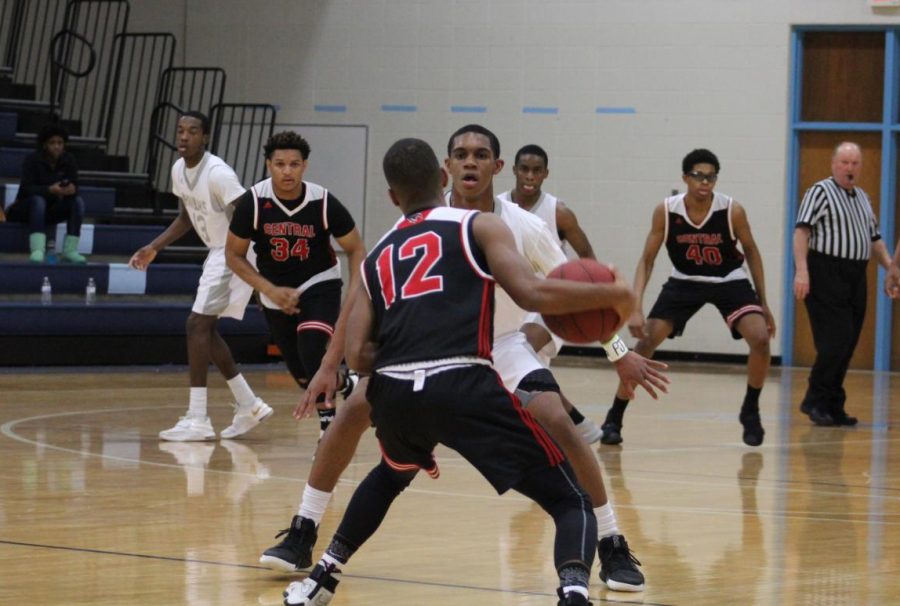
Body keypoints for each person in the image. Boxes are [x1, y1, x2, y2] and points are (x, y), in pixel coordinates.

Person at [262, 125, 662, 594]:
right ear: (445, 168)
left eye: (481, 154)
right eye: (460, 154)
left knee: (557, 417)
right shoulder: (416, 220)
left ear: (497, 167)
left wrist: (619, 353)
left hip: (505, 343)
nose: (470, 162)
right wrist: (330, 364)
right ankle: (304, 529)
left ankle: (611, 540)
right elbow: (361, 294)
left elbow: (577, 296)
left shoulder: (522, 225)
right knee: (351, 411)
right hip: (432, 345)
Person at [601, 148, 775, 447]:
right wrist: (635, 307)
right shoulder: (667, 211)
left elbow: (753, 253)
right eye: (698, 176)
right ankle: (614, 416)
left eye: (710, 177)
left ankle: (750, 409)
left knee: (760, 338)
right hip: (684, 280)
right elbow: (647, 259)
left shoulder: (731, 210)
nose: (705, 183)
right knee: (645, 343)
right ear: (685, 178)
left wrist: (764, 302)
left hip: (729, 279)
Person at [129, 111, 271, 441]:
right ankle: (249, 404)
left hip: (232, 252)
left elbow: (250, 215)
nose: (183, 136)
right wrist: (155, 247)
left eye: (192, 131)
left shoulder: (218, 173)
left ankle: (198, 418)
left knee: (196, 325)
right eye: (180, 130)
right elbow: (186, 217)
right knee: (204, 329)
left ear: (204, 137)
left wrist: (260, 272)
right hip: (217, 252)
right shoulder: (179, 169)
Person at [225, 131, 365, 437]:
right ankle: (347, 383)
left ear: (305, 166)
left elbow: (356, 248)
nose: (287, 171)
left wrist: (355, 294)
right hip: (274, 291)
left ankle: (328, 427)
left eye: (294, 164)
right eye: (280, 164)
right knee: (303, 375)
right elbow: (233, 255)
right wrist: (268, 289)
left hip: (320, 282)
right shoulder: (254, 201)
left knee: (311, 346)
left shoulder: (323, 201)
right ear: (268, 165)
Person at [500, 143, 631, 444]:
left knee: (523, 350)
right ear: (514, 170)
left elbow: (589, 263)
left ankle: (570, 424)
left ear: (546, 174)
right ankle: (577, 423)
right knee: (518, 371)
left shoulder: (559, 213)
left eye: (536, 170)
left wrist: (606, 321)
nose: (529, 175)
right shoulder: (498, 208)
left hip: (549, 303)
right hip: (511, 302)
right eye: (524, 169)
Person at [793, 142, 892, 426]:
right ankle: (815, 400)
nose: (850, 168)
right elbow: (801, 232)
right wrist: (802, 271)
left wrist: (891, 270)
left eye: (855, 163)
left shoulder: (862, 197)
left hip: (855, 274)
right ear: (833, 164)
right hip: (825, 271)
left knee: (848, 341)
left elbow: (875, 240)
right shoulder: (820, 192)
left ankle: (833, 404)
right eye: (845, 162)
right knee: (834, 341)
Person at [6, 123, 86, 263]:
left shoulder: (69, 160)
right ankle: (37, 249)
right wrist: (49, 190)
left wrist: (71, 189)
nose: (56, 146)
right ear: (44, 144)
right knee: (38, 200)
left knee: (77, 201)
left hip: (51, 209)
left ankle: (70, 250)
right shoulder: (32, 159)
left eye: (60, 143)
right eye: (52, 143)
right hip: (25, 208)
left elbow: (75, 184)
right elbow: (26, 189)